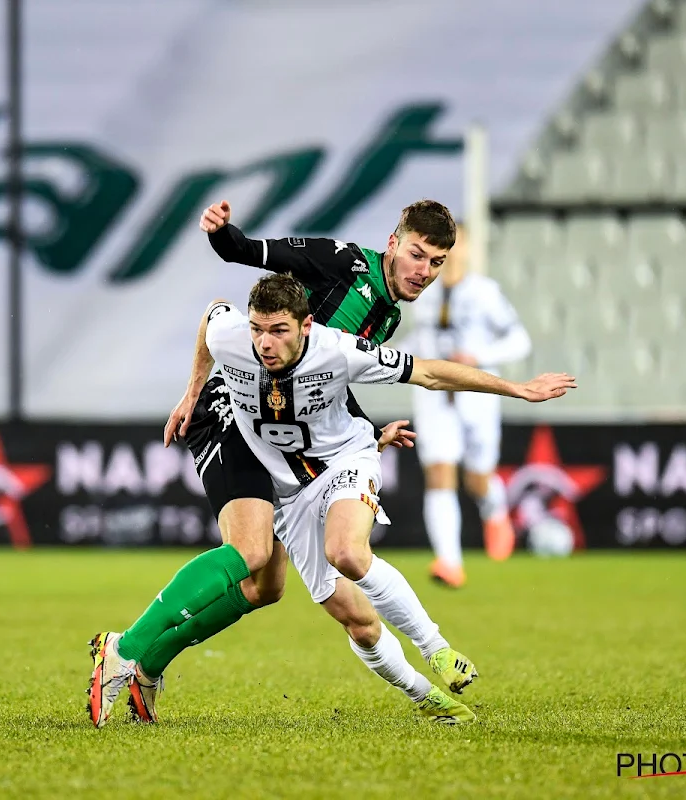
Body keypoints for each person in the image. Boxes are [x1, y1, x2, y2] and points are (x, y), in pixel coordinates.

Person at [88, 274, 575, 727]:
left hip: (343, 463)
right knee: (314, 602)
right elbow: (213, 313)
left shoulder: (340, 351)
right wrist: (194, 388)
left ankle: (437, 650)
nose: (264, 343)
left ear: (306, 325)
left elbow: (429, 373)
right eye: (258, 330)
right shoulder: (232, 337)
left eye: (278, 331)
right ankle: (425, 695)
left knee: (343, 552)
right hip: (287, 483)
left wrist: (517, 389)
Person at [95, 199, 456, 724]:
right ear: (394, 243)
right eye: (417, 255)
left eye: (437, 263)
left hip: (284, 435)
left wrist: (366, 435)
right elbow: (244, 257)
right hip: (235, 411)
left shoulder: (388, 314)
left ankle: (146, 665)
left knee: (267, 587)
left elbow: (323, 385)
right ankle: (125, 652)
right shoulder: (341, 262)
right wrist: (194, 388)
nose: (424, 272)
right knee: (249, 548)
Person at [409, 224, 531, 585]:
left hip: (476, 396)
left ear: (467, 250)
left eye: (456, 244)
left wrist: (478, 356)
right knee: (439, 473)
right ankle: (449, 562)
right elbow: (419, 336)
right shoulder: (421, 292)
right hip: (434, 394)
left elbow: (519, 341)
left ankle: (494, 510)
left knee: (478, 479)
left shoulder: (484, 293)